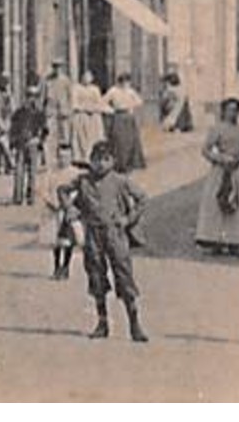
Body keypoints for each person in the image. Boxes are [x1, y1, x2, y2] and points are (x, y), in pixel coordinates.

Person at [67, 141, 149, 342]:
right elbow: (62, 191)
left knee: (124, 275)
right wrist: (70, 208)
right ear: (90, 161)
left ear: (113, 161)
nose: (101, 164)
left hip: (115, 234)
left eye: (106, 159)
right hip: (93, 235)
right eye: (96, 159)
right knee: (96, 276)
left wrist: (128, 219)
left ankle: (134, 324)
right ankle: (102, 323)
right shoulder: (83, 181)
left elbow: (142, 199)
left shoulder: (120, 181)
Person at [195, 98, 239, 253]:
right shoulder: (216, 129)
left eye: (236, 110)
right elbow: (205, 150)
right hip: (220, 171)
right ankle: (214, 240)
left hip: (237, 171)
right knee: (216, 205)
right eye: (230, 109)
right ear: (224, 111)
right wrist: (220, 159)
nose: (233, 113)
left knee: (238, 204)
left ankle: (234, 241)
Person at [40, 159, 82, 280]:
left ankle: (66, 267)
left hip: (69, 209)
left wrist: (71, 205)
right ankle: (57, 267)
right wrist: (50, 202)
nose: (63, 156)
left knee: (69, 240)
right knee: (56, 241)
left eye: (66, 153)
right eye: (60, 153)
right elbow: (43, 189)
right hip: (55, 209)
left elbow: (78, 190)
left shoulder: (75, 173)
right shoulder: (52, 172)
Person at [9, 84, 49, 205]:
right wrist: (13, 143)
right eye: (29, 96)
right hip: (21, 144)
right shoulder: (19, 112)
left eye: (34, 96)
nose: (31, 99)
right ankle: (18, 197)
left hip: (33, 143)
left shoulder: (40, 113)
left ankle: (30, 197)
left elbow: (45, 130)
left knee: (32, 172)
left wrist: (39, 140)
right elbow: (13, 128)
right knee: (19, 171)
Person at [103, 73, 147, 172]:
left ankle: (130, 163)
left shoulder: (130, 91)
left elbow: (139, 101)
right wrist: (111, 110)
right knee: (118, 140)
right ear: (119, 82)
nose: (125, 84)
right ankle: (119, 163)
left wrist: (131, 106)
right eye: (123, 82)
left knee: (130, 140)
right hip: (118, 117)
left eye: (127, 82)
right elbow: (103, 101)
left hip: (128, 117)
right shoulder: (113, 91)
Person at [69, 69, 109, 165]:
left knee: (94, 136)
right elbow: (74, 103)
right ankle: (82, 157)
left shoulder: (95, 89)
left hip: (93, 116)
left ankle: (95, 156)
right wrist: (83, 108)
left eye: (89, 77)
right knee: (82, 137)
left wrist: (94, 109)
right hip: (82, 116)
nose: (86, 80)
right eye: (84, 77)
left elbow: (99, 102)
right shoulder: (77, 88)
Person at [44, 64, 74, 167]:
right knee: (50, 135)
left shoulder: (66, 81)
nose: (57, 69)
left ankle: (64, 160)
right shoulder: (48, 80)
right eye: (55, 67)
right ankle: (50, 160)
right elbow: (44, 96)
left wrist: (69, 110)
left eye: (59, 67)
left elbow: (70, 96)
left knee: (64, 135)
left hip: (63, 110)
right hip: (51, 109)